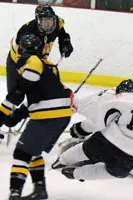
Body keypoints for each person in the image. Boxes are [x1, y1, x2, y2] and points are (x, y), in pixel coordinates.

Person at [51, 73, 133, 182]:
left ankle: (61, 161)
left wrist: (80, 129)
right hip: (128, 154)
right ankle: (76, 174)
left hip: (105, 141)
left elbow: (98, 122)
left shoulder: (122, 99)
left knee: (85, 149)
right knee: (117, 173)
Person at [0, 34, 73, 200]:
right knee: (32, 152)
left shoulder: (32, 62)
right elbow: (39, 95)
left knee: (21, 153)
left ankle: (15, 194)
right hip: (63, 115)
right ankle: (40, 191)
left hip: (47, 116)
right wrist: (17, 116)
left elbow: (17, 95)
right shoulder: (50, 66)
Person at [6, 3, 73, 95]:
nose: (49, 25)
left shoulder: (57, 23)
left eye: (50, 21)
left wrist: (65, 43)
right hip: (16, 61)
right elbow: (22, 61)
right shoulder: (27, 34)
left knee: (41, 91)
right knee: (16, 93)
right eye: (45, 22)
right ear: (38, 21)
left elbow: (62, 33)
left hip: (39, 59)